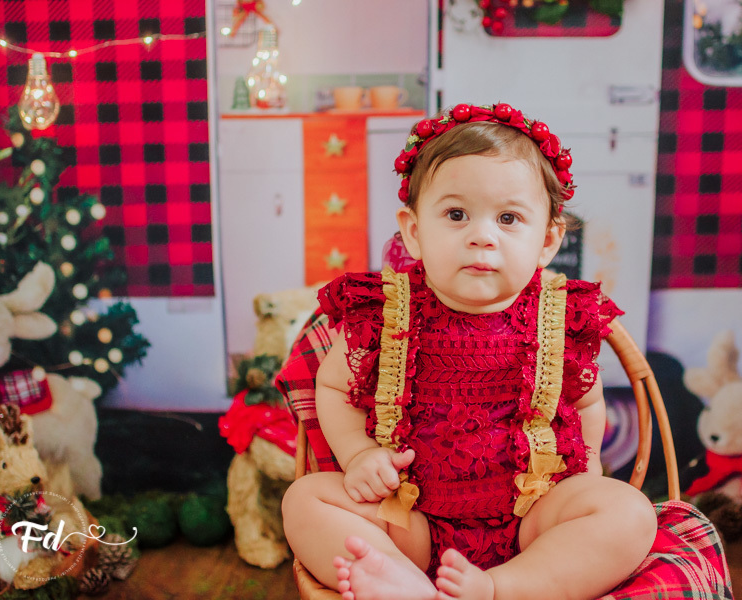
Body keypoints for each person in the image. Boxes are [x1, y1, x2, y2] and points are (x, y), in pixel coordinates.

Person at [282, 103, 657, 600]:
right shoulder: (385, 310)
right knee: (306, 499)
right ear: (414, 232)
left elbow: (585, 402)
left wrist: (581, 480)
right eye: (456, 214)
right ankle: (404, 583)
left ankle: (502, 587)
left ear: (547, 241)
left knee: (629, 512)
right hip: (408, 517)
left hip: (532, 523)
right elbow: (331, 385)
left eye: (508, 218)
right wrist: (359, 454)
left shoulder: (561, 316)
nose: (482, 236)